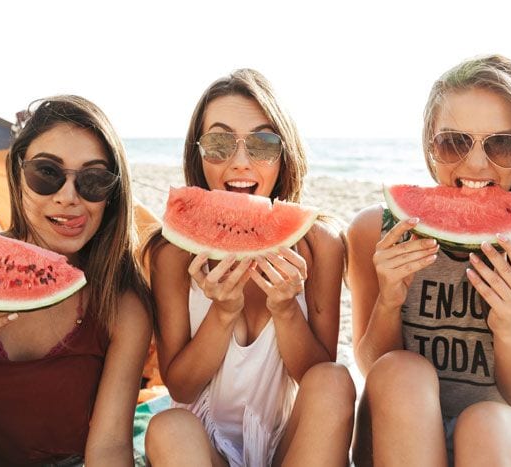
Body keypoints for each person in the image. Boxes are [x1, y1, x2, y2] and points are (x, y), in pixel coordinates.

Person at [348, 55, 511, 466]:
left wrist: (509, 324)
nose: (476, 164)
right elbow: (374, 368)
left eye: (502, 144)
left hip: (510, 439)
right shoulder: (375, 232)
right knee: (402, 372)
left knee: (486, 423)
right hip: (401, 433)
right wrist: (390, 300)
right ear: (430, 144)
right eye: (454, 142)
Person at [0, 95, 153, 466]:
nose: (68, 198)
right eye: (46, 173)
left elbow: (109, 447)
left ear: (112, 194)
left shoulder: (122, 306)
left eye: (93, 180)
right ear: (17, 174)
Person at [143, 69, 355, 467]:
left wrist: (286, 310)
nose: (240, 162)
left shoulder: (319, 243)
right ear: (198, 152)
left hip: (285, 444)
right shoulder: (172, 252)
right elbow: (182, 387)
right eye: (219, 143)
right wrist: (222, 313)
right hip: (199, 443)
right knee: (167, 427)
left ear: (284, 152)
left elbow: (315, 378)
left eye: (262, 144)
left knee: (335, 379)